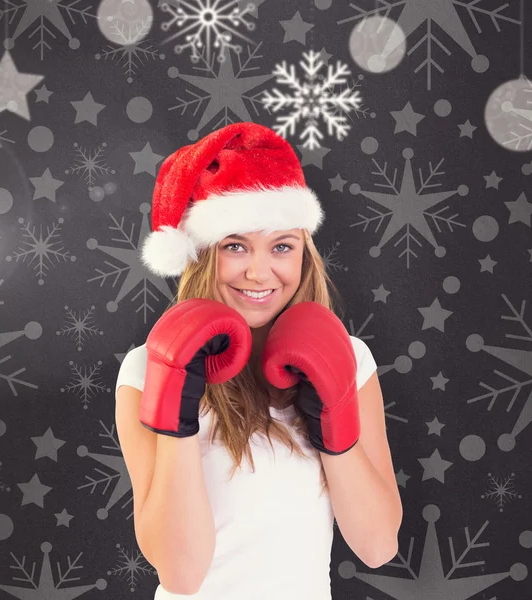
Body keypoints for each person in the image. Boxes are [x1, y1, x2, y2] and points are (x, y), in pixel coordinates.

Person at [114, 122, 385, 599]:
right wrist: (177, 406)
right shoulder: (144, 369)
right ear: (201, 254)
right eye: (235, 246)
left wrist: (335, 424)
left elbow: (377, 545)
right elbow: (181, 575)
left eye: (282, 246)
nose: (259, 272)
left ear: (304, 253)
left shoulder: (351, 358)